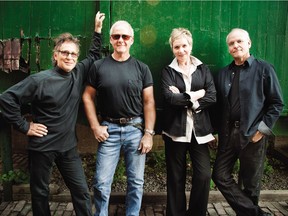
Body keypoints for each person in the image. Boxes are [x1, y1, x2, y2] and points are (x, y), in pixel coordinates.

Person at [0, 11, 105, 216]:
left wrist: (97, 30)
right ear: (55, 55)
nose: (70, 57)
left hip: (68, 148)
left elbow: (93, 56)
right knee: (40, 193)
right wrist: (24, 126)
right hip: (42, 147)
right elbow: (6, 98)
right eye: (65, 53)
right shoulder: (40, 80)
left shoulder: (78, 73)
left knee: (81, 192)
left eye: (74, 54)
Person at [82, 20, 156, 216]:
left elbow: (149, 102)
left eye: (125, 36)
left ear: (132, 40)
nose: (121, 40)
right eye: (116, 36)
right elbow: (87, 97)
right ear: (111, 39)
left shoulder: (142, 68)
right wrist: (95, 127)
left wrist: (148, 134)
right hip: (109, 130)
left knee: (136, 182)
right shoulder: (98, 66)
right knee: (101, 182)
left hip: (135, 129)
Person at [212, 28, 284, 216]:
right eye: (231, 43)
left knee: (250, 184)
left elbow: (276, 103)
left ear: (249, 43)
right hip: (228, 135)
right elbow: (219, 107)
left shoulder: (264, 69)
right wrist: (215, 132)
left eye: (239, 41)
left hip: (253, 135)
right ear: (228, 48)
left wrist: (261, 131)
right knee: (219, 175)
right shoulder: (224, 73)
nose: (235, 45)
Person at [160, 28, 216, 216]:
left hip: (199, 132)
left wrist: (185, 98)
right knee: (176, 177)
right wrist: (197, 95)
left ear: (190, 46)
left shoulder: (203, 68)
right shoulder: (168, 71)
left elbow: (212, 96)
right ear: (172, 48)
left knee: (204, 175)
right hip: (175, 131)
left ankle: (196, 213)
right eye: (177, 47)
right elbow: (169, 98)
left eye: (184, 46)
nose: (181, 50)